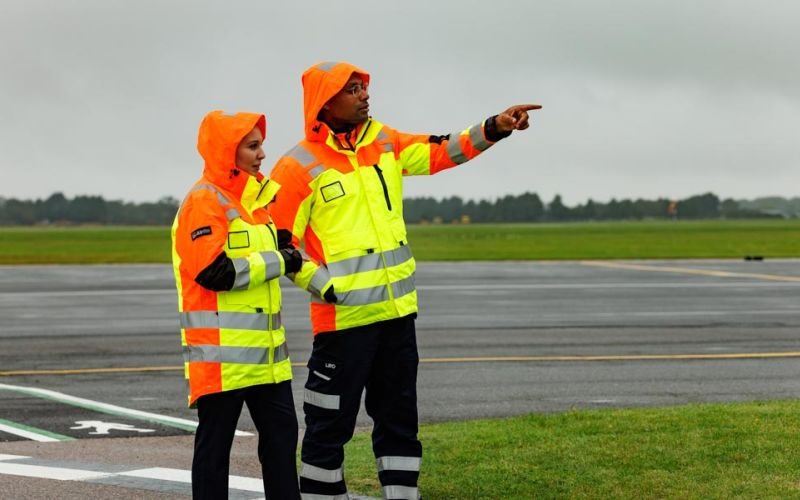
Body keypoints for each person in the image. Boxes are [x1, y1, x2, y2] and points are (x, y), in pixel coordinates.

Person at [268, 61, 541, 500]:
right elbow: (280, 244)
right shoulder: (297, 167)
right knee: (328, 425)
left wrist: (495, 127)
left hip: (398, 318)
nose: (364, 95)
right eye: (353, 89)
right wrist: (327, 287)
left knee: (399, 422)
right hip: (343, 325)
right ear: (325, 101)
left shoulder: (386, 143)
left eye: (364, 87)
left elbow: (441, 150)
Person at [171, 110, 311, 499]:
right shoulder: (204, 201)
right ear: (226, 152)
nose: (262, 154)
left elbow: (283, 253)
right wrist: (281, 261)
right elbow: (214, 273)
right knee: (215, 451)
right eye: (252, 146)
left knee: (282, 443)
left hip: (267, 359)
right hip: (222, 360)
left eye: (260, 144)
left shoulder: (257, 203)